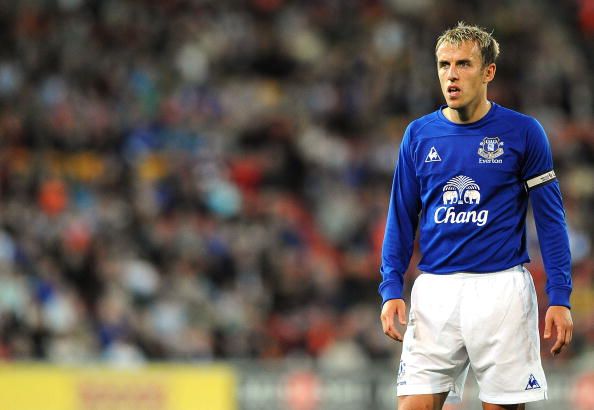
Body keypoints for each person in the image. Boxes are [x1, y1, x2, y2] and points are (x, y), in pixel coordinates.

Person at [378, 22, 573, 410]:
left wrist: (560, 297)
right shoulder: (418, 135)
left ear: (488, 72)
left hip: (501, 291)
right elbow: (401, 216)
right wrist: (390, 288)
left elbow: (551, 220)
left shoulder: (523, 132)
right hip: (435, 291)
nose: (451, 74)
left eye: (464, 64)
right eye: (444, 65)